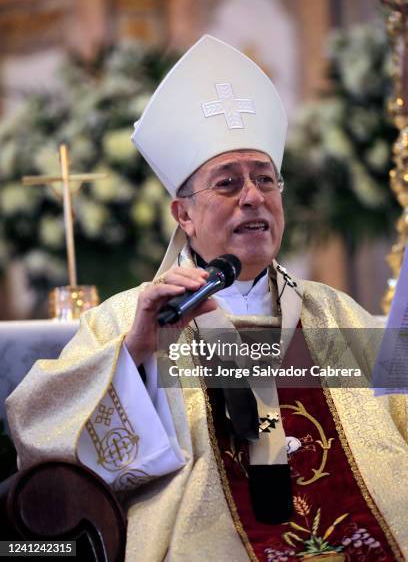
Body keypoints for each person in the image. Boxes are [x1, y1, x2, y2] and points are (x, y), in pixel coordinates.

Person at [6, 36, 408, 561]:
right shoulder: (134, 317)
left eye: (266, 179)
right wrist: (136, 355)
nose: (253, 196)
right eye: (228, 183)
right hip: (213, 535)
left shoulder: (334, 313)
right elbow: (39, 430)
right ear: (184, 215)